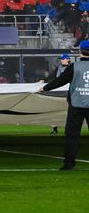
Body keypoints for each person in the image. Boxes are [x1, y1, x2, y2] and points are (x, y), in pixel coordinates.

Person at [39, 41, 89, 170]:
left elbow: (60, 81)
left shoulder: (74, 67)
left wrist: (45, 88)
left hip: (76, 105)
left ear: (80, 51)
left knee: (72, 135)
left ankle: (69, 163)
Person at [47, 53, 73, 134]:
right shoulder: (58, 68)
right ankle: (55, 129)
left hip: (69, 92)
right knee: (53, 109)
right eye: (61, 59)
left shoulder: (72, 67)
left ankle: (70, 128)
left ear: (67, 59)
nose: (61, 60)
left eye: (63, 59)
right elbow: (51, 77)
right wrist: (44, 80)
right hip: (58, 92)